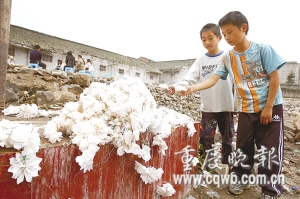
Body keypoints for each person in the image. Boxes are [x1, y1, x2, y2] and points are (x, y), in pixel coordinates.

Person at [181, 11, 285, 199]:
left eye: (230, 32)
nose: (227, 37)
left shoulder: (263, 49)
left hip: (270, 107)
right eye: (225, 33)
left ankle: (270, 191)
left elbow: (274, 78)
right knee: (243, 146)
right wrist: (192, 88)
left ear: (243, 28)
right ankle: (241, 179)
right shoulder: (228, 57)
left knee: (268, 148)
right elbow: (213, 79)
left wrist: (269, 107)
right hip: (246, 108)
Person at [166, 23, 237, 167]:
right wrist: (176, 87)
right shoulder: (201, 61)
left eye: (210, 38)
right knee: (206, 137)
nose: (207, 42)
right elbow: (189, 78)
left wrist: (237, 105)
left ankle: (227, 164)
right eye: (203, 39)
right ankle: (208, 165)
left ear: (219, 37)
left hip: (226, 106)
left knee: (227, 137)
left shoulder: (228, 57)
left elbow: (237, 82)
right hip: (209, 108)